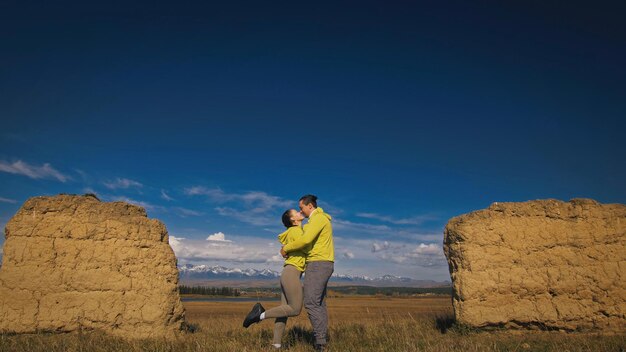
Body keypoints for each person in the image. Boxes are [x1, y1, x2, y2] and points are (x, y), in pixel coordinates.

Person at [243, 209, 309, 349]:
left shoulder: (294, 231)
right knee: (295, 309)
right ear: (293, 220)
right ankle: (259, 315)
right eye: (296, 212)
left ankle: (276, 345)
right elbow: (305, 244)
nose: (299, 212)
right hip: (292, 272)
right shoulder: (296, 231)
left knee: (283, 311)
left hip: (288, 273)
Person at [280, 194, 334, 352]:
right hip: (321, 263)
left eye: (301, 207)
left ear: (310, 206)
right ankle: (322, 340)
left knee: (310, 303)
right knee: (319, 303)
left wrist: (286, 248)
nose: (300, 210)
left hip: (318, 264)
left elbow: (305, 241)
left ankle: (319, 344)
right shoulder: (317, 220)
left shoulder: (318, 219)